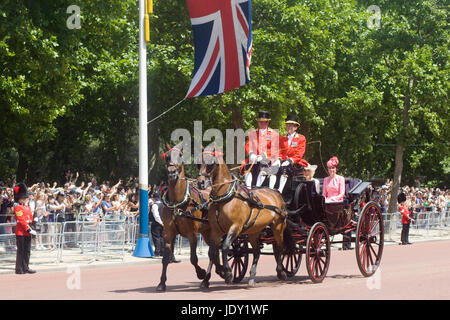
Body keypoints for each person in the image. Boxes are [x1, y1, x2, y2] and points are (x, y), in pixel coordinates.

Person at [243, 111, 280, 188]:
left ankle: (257, 188)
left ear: (267, 122)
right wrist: (251, 153)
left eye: (264, 122)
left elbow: (275, 149)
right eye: (260, 122)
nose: (262, 124)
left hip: (267, 159)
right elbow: (248, 145)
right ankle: (248, 188)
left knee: (263, 168)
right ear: (258, 122)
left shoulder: (274, 134)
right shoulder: (252, 133)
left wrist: (265, 155)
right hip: (255, 159)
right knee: (247, 167)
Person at [276, 113, 308, 193]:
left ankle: (280, 191)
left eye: (291, 125)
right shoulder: (282, 138)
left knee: (285, 168)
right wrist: (279, 158)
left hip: (295, 163)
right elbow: (279, 150)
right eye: (287, 125)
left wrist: (290, 160)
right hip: (282, 161)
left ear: (295, 127)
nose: (289, 127)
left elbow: (299, 154)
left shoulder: (301, 138)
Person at [13, 183, 37, 274]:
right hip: (21, 232)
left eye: (25, 198)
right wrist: (28, 229)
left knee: (27, 251)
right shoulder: (17, 207)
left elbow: (30, 218)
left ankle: (26, 267)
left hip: (28, 231)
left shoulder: (27, 207)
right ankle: (19, 269)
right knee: (21, 251)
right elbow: (21, 220)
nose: (24, 199)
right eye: (23, 198)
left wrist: (33, 226)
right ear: (19, 198)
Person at [150, 193, 164, 257]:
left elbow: (156, 216)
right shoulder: (163, 205)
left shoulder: (154, 205)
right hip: (163, 223)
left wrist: (160, 222)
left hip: (156, 224)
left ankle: (157, 252)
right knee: (161, 238)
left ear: (154, 198)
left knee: (156, 238)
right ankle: (162, 252)